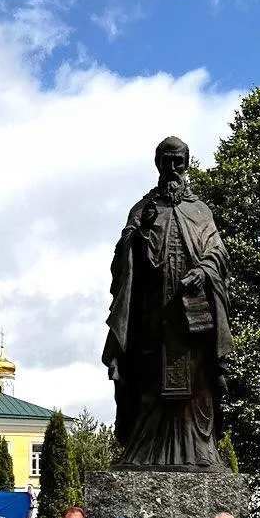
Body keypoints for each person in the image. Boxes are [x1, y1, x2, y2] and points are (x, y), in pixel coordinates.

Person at [102, 135, 232, 470]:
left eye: (180, 161)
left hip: (193, 319)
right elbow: (121, 263)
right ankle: (143, 451)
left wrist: (204, 271)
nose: (174, 168)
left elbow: (217, 251)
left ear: (187, 164)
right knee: (149, 384)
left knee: (196, 387)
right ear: (158, 164)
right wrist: (137, 236)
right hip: (151, 317)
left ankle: (199, 451)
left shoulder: (200, 210)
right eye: (167, 161)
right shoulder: (143, 209)